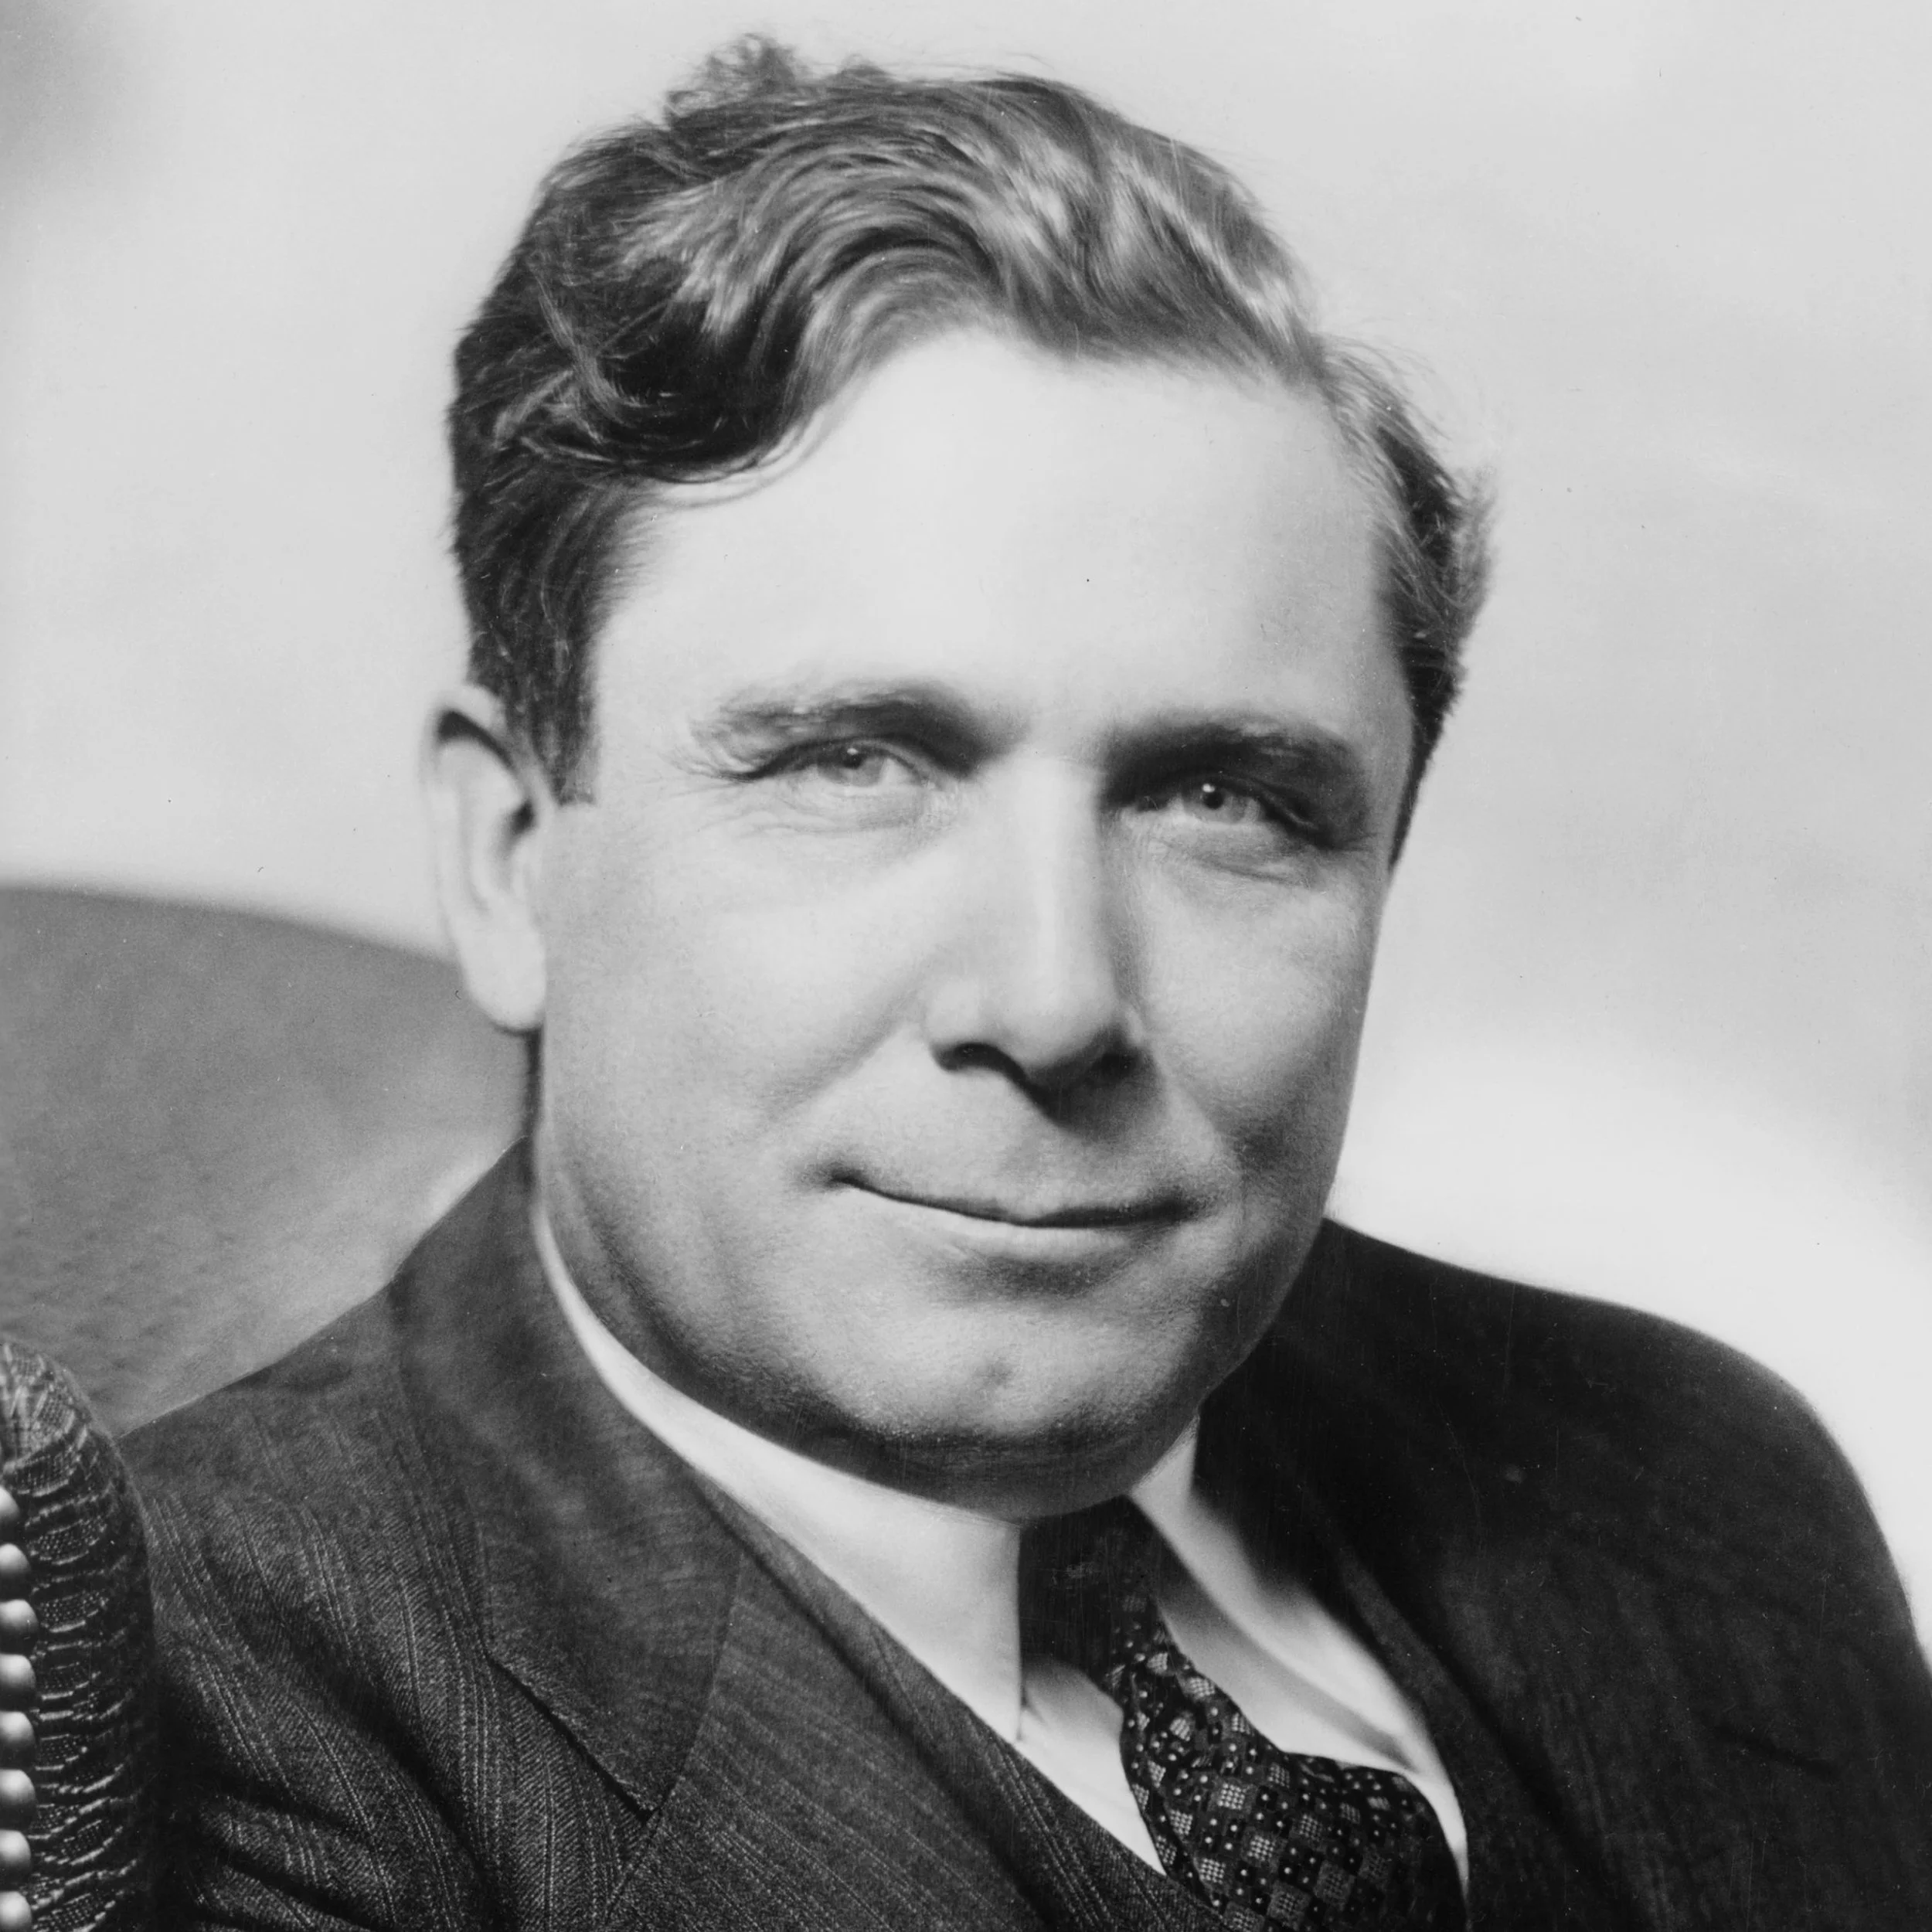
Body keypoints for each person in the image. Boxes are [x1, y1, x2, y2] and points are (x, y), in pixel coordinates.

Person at [128, 38, 1932, 1930]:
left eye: (1223, 797)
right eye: (856, 765)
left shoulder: (1700, 1471)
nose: (1053, 997)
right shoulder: (179, 1704)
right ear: (509, 861)